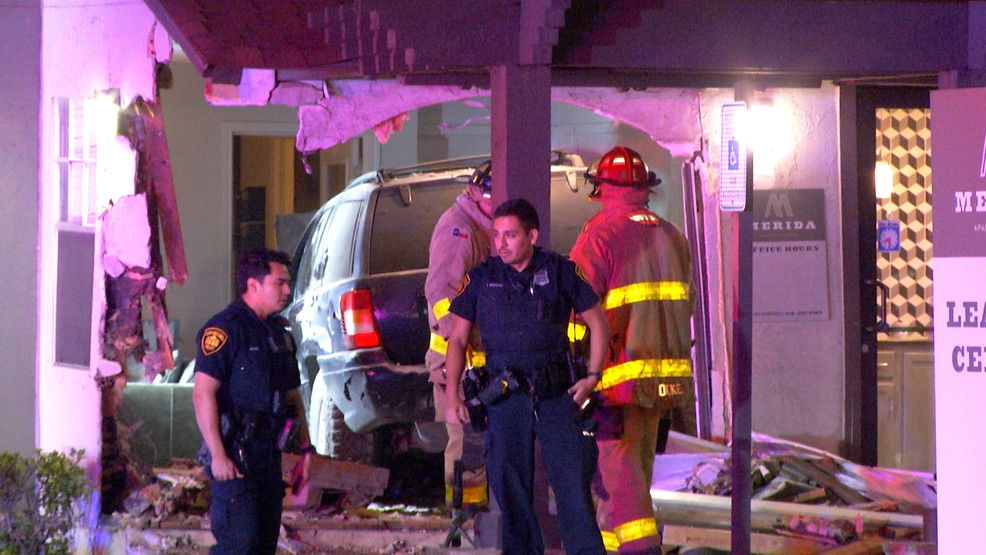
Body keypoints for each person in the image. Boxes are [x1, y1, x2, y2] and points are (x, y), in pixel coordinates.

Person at [444, 198, 609, 554]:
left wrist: (592, 377)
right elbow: (456, 340)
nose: (500, 243)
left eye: (511, 235)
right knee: (510, 491)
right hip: (504, 399)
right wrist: (451, 395)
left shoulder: (561, 272)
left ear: (532, 235)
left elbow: (598, 324)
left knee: (572, 490)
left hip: (556, 397)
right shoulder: (480, 278)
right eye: (497, 235)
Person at [569, 146, 695, 554]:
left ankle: (641, 550)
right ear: (644, 189)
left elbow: (576, 313)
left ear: (603, 187)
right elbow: (685, 306)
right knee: (634, 471)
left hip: (617, 379)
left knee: (621, 479)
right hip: (664, 380)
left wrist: (575, 367)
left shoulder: (599, 234)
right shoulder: (673, 234)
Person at [192, 248, 313, 554]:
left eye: (288, 283)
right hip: (235, 453)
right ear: (253, 285)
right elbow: (202, 393)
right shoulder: (224, 329)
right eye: (279, 283)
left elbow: (292, 396)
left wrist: (306, 449)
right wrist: (219, 455)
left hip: (268, 455)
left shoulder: (279, 333)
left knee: (262, 545)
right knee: (239, 544)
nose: (287, 290)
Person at [424, 160, 494, 507]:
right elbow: (441, 294)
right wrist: (458, 347)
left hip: (482, 363)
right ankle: (465, 523)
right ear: (478, 192)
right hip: (463, 365)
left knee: (479, 449)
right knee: (466, 451)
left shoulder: (485, 227)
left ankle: (476, 519)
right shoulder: (460, 229)